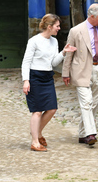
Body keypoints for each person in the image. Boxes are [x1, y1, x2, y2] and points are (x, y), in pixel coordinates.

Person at [22, 13, 77, 152]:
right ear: (49, 26)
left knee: (52, 108)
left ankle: (37, 132)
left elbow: (53, 62)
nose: (59, 28)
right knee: (37, 111)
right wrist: (26, 80)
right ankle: (35, 142)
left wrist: (63, 52)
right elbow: (26, 62)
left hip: (47, 78)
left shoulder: (54, 41)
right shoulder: (34, 41)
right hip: (34, 77)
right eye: (57, 26)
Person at [62, 3, 98, 146]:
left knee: (94, 103)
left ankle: (82, 134)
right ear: (92, 16)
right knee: (86, 102)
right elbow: (69, 52)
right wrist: (66, 73)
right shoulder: (76, 30)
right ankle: (91, 134)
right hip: (81, 71)